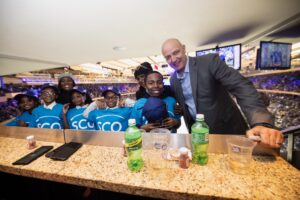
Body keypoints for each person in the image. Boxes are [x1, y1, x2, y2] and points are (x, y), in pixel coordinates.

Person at [161, 38, 283, 147]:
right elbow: (191, 102)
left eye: (176, 52)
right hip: (200, 136)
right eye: (168, 57)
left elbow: (240, 86)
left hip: (228, 131)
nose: (173, 59)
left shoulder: (208, 62)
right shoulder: (173, 80)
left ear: (183, 48)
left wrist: (260, 122)